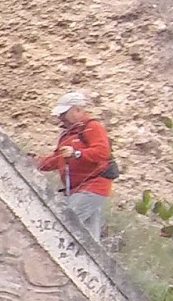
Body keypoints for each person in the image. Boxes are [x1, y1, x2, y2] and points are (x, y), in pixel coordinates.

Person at [35, 91, 114, 241]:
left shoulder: (92, 127)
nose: (60, 117)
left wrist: (76, 153)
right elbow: (58, 159)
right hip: (79, 189)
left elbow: (102, 153)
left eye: (64, 113)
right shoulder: (69, 134)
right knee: (89, 238)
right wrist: (37, 163)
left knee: (66, 224)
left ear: (77, 110)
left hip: (92, 187)